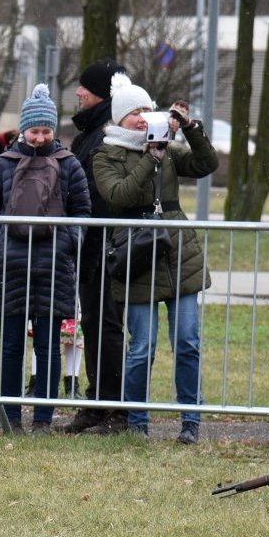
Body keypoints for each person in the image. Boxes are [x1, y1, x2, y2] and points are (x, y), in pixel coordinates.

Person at [91, 79, 219, 443]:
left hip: (178, 252)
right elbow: (120, 194)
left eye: (148, 110)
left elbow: (206, 163)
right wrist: (151, 158)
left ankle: (191, 422)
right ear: (120, 119)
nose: (143, 118)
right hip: (137, 255)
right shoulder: (106, 154)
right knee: (142, 347)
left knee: (187, 341)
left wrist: (191, 129)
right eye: (135, 113)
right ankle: (137, 423)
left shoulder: (168, 148)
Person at [0, 84, 91, 433]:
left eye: (46, 130)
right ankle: (10, 417)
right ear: (23, 129)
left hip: (53, 266)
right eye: (35, 130)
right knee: (11, 344)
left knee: (48, 346)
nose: (40, 137)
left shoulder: (69, 165)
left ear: (54, 130)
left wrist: (68, 244)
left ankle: (43, 418)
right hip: (11, 266)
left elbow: (82, 211)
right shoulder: (2, 165)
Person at [64, 59, 130, 434]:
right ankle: (96, 401)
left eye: (85, 87)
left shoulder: (111, 133)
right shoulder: (91, 132)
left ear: (103, 93)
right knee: (93, 323)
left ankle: (115, 406)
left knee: (108, 325)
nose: (78, 92)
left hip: (110, 246)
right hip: (91, 245)